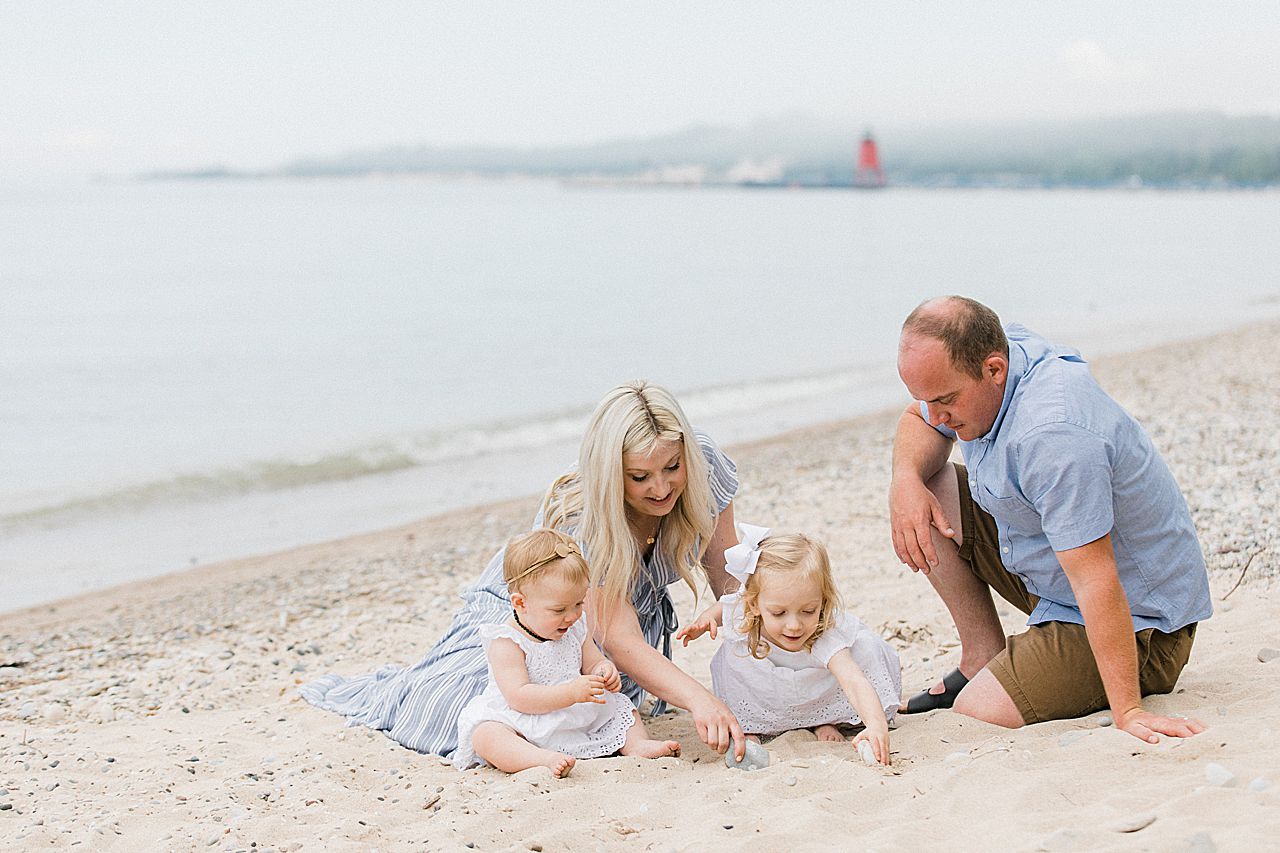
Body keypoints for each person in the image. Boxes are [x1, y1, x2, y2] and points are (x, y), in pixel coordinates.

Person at [301, 381, 748, 760]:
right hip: (532, 616)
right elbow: (619, 636)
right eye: (639, 476)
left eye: (672, 467)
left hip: (588, 631)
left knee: (594, 710)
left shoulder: (703, 462)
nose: (661, 486)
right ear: (611, 473)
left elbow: (723, 565)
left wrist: (745, 639)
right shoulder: (580, 514)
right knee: (477, 711)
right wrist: (699, 700)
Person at [889, 295, 1211, 743]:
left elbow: (1097, 579)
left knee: (980, 709)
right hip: (1057, 578)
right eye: (928, 399)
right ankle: (981, 653)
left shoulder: (1053, 436)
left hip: (1142, 626)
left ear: (993, 369)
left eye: (945, 400)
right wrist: (904, 479)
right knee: (930, 487)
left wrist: (1130, 712)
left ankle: (1104, 683)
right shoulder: (1000, 358)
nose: (936, 415)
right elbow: (917, 419)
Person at [452, 529, 680, 777]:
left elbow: (592, 660)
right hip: (525, 720)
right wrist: (570, 693)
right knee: (486, 735)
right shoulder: (507, 642)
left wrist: (603, 670)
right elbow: (519, 697)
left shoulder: (574, 626)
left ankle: (636, 744)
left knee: (622, 707)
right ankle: (541, 758)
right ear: (521, 603)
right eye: (559, 609)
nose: (571, 616)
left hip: (573, 710)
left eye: (579, 604)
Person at [678, 524, 900, 765]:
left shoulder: (823, 633)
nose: (794, 625)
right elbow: (726, 607)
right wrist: (706, 620)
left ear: (822, 602)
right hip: (774, 688)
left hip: (818, 687)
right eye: (778, 612)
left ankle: (823, 720)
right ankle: (748, 724)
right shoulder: (747, 609)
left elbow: (853, 681)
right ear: (754, 605)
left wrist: (876, 726)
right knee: (732, 657)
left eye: (808, 610)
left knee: (863, 653)